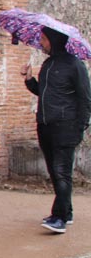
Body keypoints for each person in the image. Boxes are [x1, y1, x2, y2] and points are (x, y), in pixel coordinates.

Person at [22, 27, 91, 233]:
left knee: (62, 173)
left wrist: (81, 126)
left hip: (66, 127)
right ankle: (67, 211)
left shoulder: (75, 65)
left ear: (54, 40)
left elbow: (86, 99)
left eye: (43, 39)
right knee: (54, 171)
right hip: (45, 125)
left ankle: (59, 218)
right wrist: (28, 80)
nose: (41, 43)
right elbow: (42, 92)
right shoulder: (48, 64)